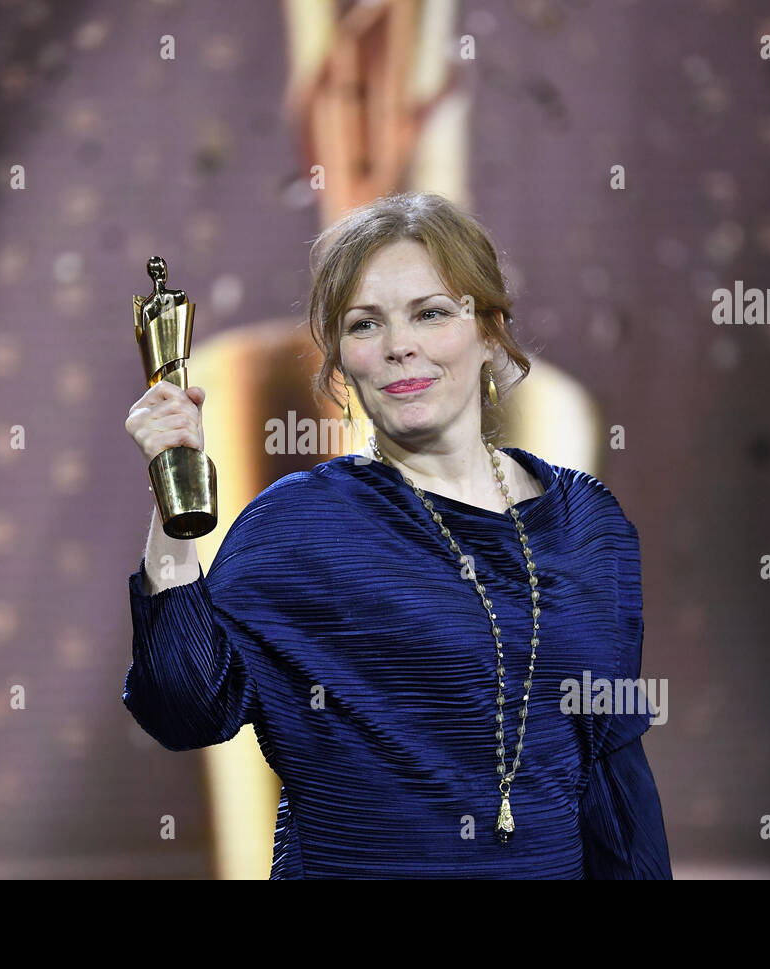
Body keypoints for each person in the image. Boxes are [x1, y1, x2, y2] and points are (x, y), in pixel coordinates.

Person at [123, 191, 672, 879]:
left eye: (431, 312)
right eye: (364, 324)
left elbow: (614, 776)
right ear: (340, 359)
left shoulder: (591, 524)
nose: (398, 345)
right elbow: (184, 710)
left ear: (490, 329)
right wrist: (173, 511)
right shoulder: (295, 527)